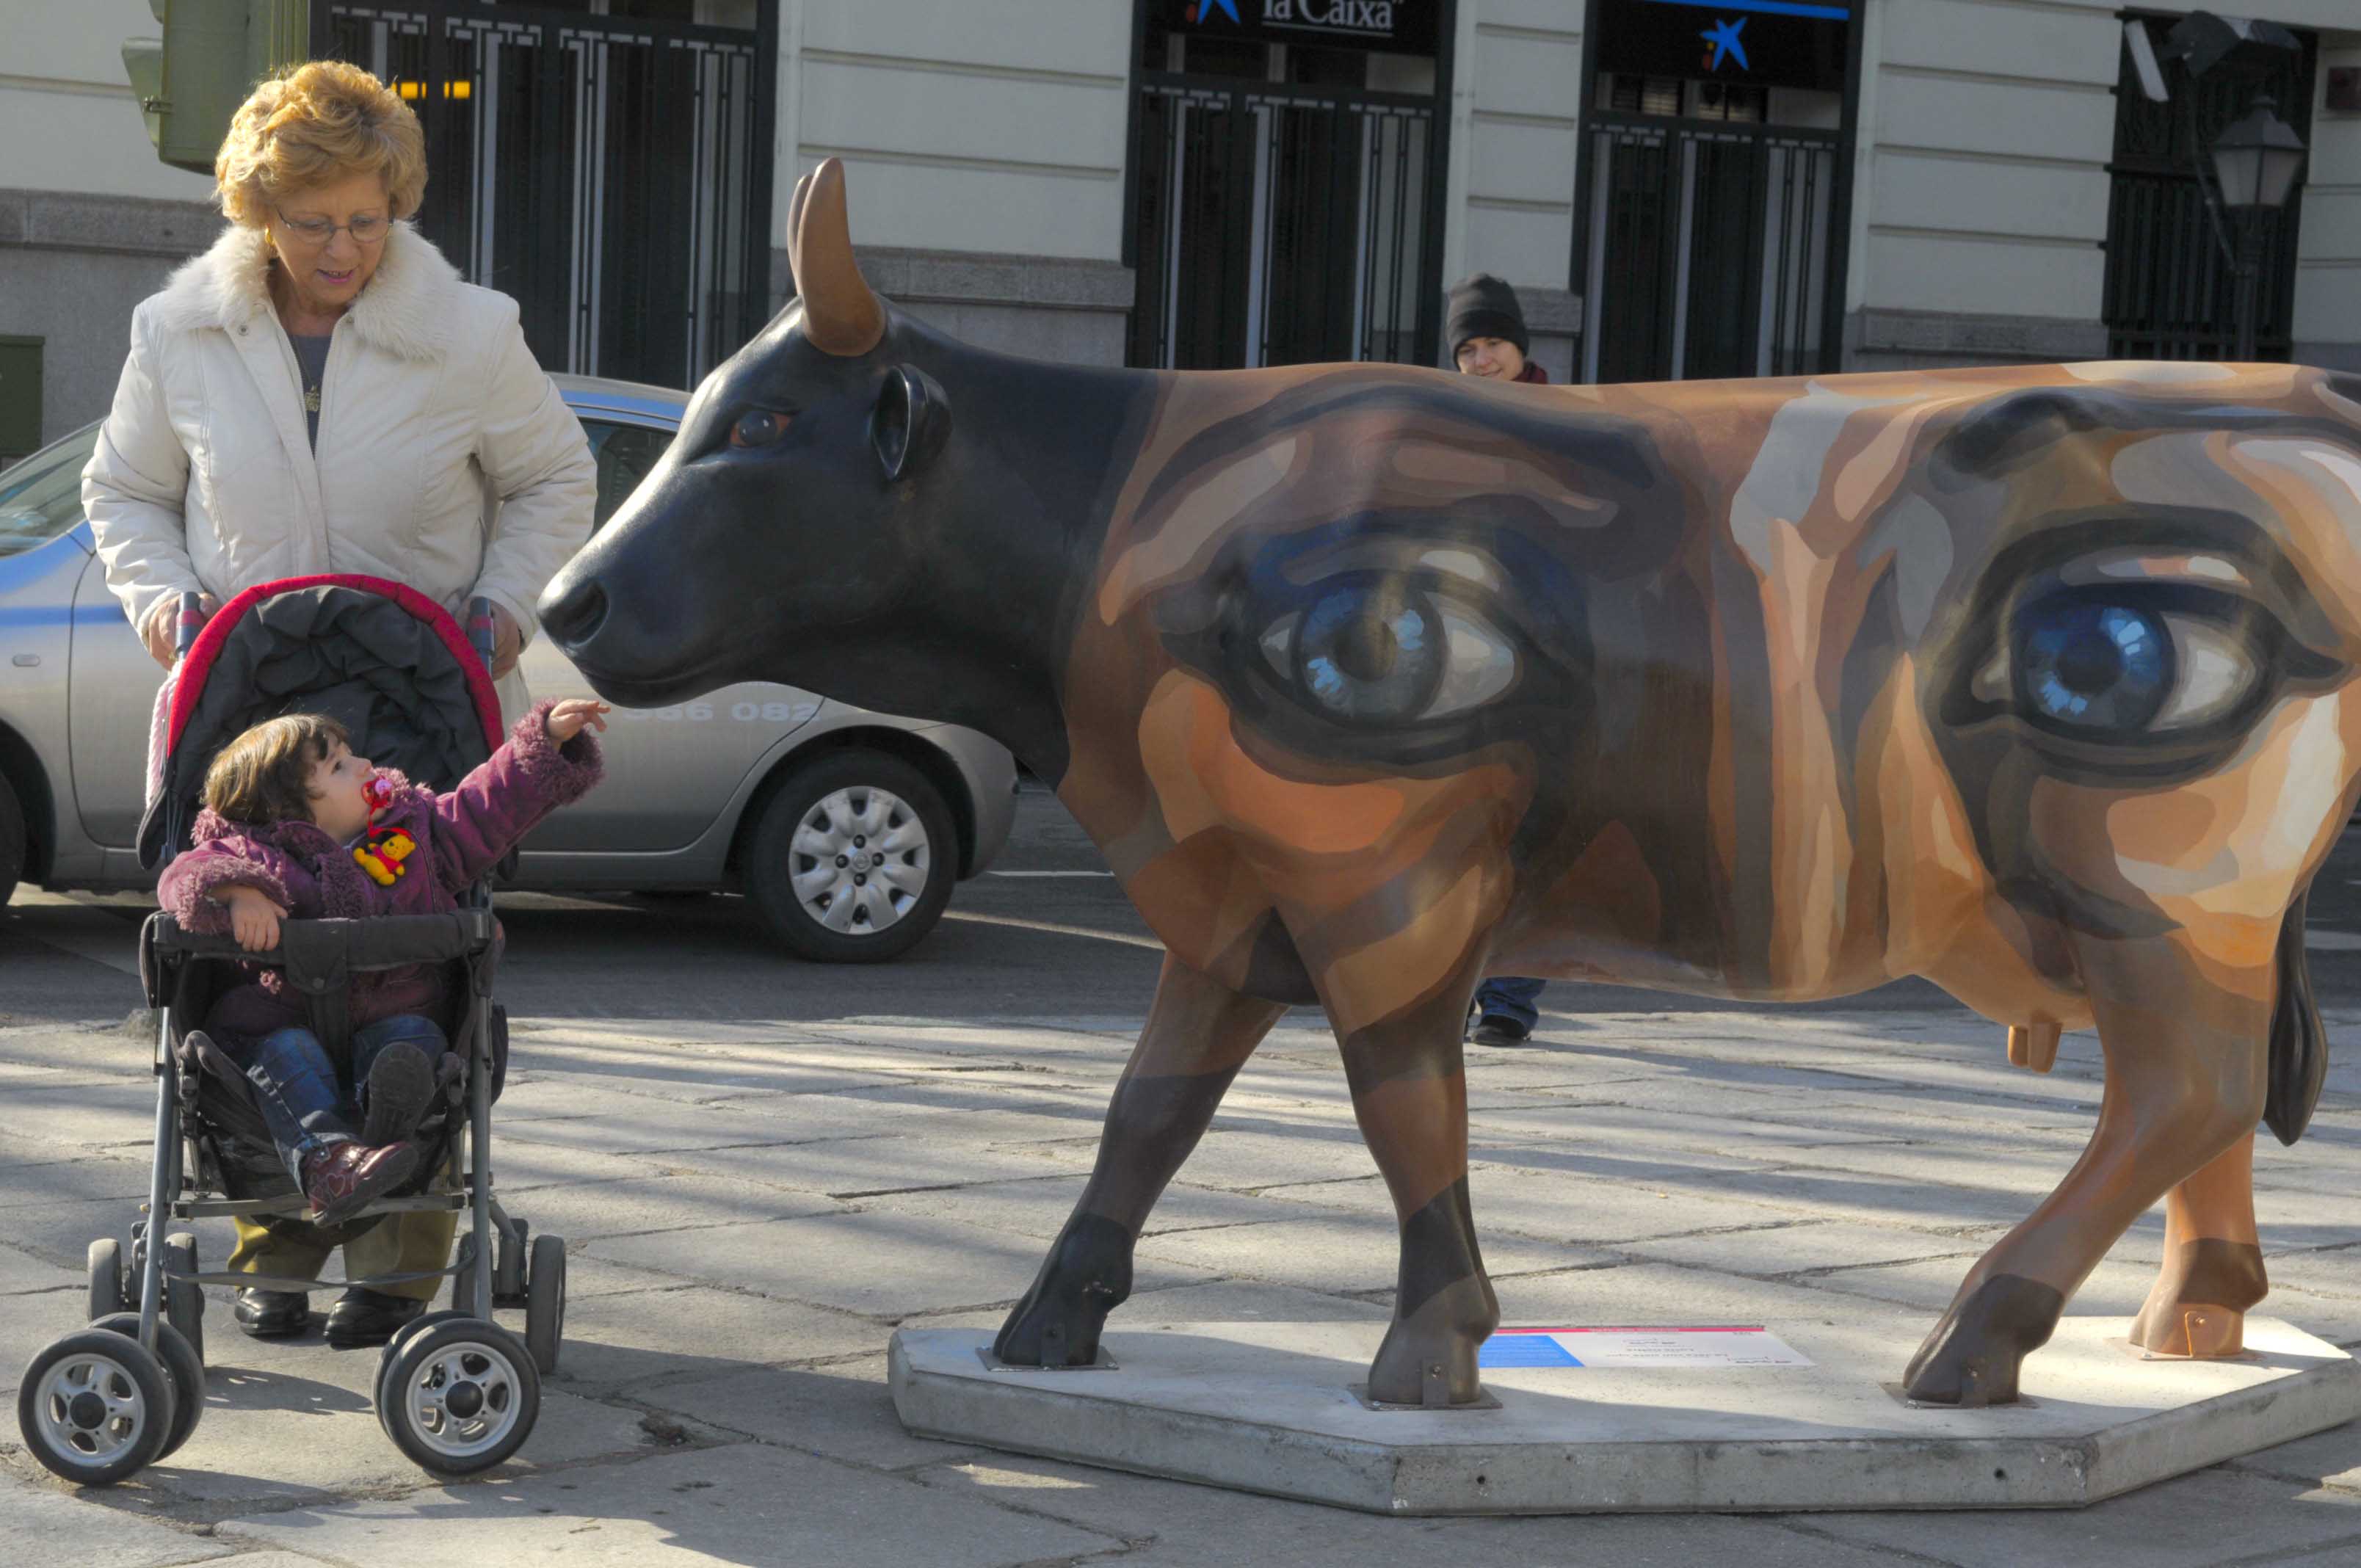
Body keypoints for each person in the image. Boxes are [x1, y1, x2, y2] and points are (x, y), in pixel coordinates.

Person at [84, 59, 597, 1345]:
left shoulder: (471, 332)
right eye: (313, 220)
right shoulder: (179, 333)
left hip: (412, 718)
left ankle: (399, 1265)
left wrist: (503, 609)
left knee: (408, 970)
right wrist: (162, 603)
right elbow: (124, 490)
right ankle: (277, 1240)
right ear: (260, 210)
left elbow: (555, 476)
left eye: (368, 218)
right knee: (254, 980)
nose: (343, 248)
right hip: (247, 726)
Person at [157, 703, 606, 1249]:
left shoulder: (416, 831)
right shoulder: (253, 855)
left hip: (395, 1018)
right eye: (340, 766)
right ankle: (330, 1162)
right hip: (282, 1025)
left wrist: (545, 741)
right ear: (284, 808)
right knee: (286, 1054)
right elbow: (183, 874)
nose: (366, 765)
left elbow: (484, 807)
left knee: (414, 1041)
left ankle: (387, 1119)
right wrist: (236, 889)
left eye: (351, 755)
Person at [1448, 272, 1549, 1046]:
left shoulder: (1568, 419)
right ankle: (1452, 986)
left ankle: (1510, 995)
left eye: (1493, 344)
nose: (1482, 361)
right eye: (1468, 349)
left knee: (1531, 822)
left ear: (1520, 347)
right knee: (1456, 823)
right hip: (1460, 643)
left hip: (1549, 646)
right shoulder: (1445, 422)